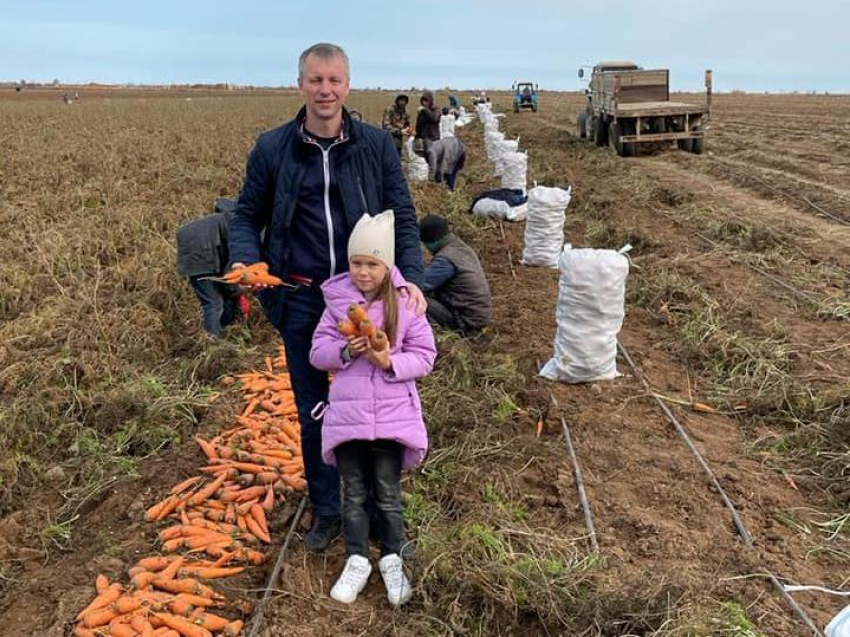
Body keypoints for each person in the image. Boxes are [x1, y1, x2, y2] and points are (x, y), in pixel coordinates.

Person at [228, 43, 427, 554]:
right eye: (315, 80)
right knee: (314, 407)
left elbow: (401, 214)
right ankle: (328, 509)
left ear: (347, 84)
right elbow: (247, 215)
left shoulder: (375, 145)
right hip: (300, 296)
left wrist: (411, 281)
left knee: (377, 401)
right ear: (300, 85)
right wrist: (245, 261)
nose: (325, 90)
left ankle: (382, 511)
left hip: (368, 299)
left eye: (334, 80)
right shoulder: (273, 148)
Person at [310, 210, 436, 606]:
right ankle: (357, 558)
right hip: (348, 416)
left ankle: (394, 557)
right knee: (353, 494)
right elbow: (317, 353)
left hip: (392, 416)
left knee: (387, 493)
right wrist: (346, 350)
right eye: (356, 263)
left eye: (372, 264)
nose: (363, 273)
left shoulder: (405, 304)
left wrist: (388, 362)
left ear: (387, 265)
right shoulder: (336, 305)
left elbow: (426, 356)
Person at [177, 198, 249, 338]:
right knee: (213, 301)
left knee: (223, 298)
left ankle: (224, 332)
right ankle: (214, 344)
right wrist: (240, 291)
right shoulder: (251, 232)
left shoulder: (245, 222)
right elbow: (232, 276)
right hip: (198, 249)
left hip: (206, 247)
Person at [420, 214, 491, 335]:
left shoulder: (445, 260)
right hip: (477, 315)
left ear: (429, 240)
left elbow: (420, 284)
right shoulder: (459, 247)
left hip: (466, 321)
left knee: (413, 299)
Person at [414, 90, 441, 180]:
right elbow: (418, 125)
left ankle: (433, 180)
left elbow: (434, 119)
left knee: (433, 158)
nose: (424, 103)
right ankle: (433, 177)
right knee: (427, 159)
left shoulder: (436, 109)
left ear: (431, 101)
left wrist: (425, 110)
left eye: (426, 101)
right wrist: (416, 135)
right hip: (424, 138)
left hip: (433, 138)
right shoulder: (422, 112)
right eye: (423, 101)